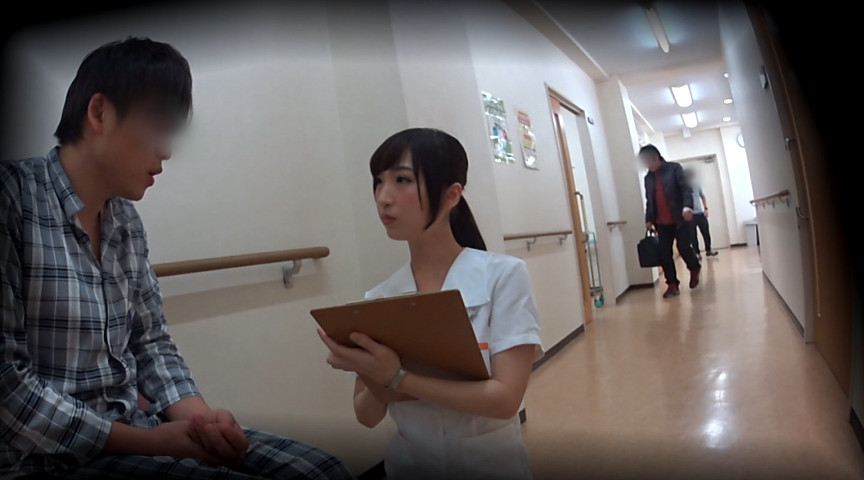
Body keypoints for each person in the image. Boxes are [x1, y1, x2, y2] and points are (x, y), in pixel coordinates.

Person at [0, 38, 352, 480]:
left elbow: (151, 343)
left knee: (322, 470)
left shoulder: (125, 221)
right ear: (100, 112)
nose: (166, 150)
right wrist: (154, 442)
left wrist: (204, 425)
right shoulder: (14, 198)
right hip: (40, 458)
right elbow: (8, 388)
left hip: (136, 429)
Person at [317, 128, 543, 479]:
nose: (383, 198)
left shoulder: (504, 275)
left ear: (452, 194)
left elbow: (505, 400)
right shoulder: (379, 299)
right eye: (378, 182)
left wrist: (397, 378)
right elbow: (367, 416)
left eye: (402, 180)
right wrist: (368, 370)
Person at [640, 144, 701, 298]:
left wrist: (687, 207)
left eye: (647, 161)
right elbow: (650, 200)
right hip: (661, 222)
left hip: (679, 217)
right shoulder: (648, 178)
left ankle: (694, 267)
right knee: (664, 253)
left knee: (683, 247)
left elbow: (685, 189)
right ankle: (672, 284)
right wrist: (649, 218)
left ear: (656, 157)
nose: (646, 165)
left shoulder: (674, 169)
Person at [684, 168, 718, 259]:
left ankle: (708, 250)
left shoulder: (696, 185)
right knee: (692, 235)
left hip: (700, 213)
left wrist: (706, 209)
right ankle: (696, 253)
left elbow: (703, 197)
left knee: (706, 232)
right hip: (690, 215)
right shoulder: (682, 187)